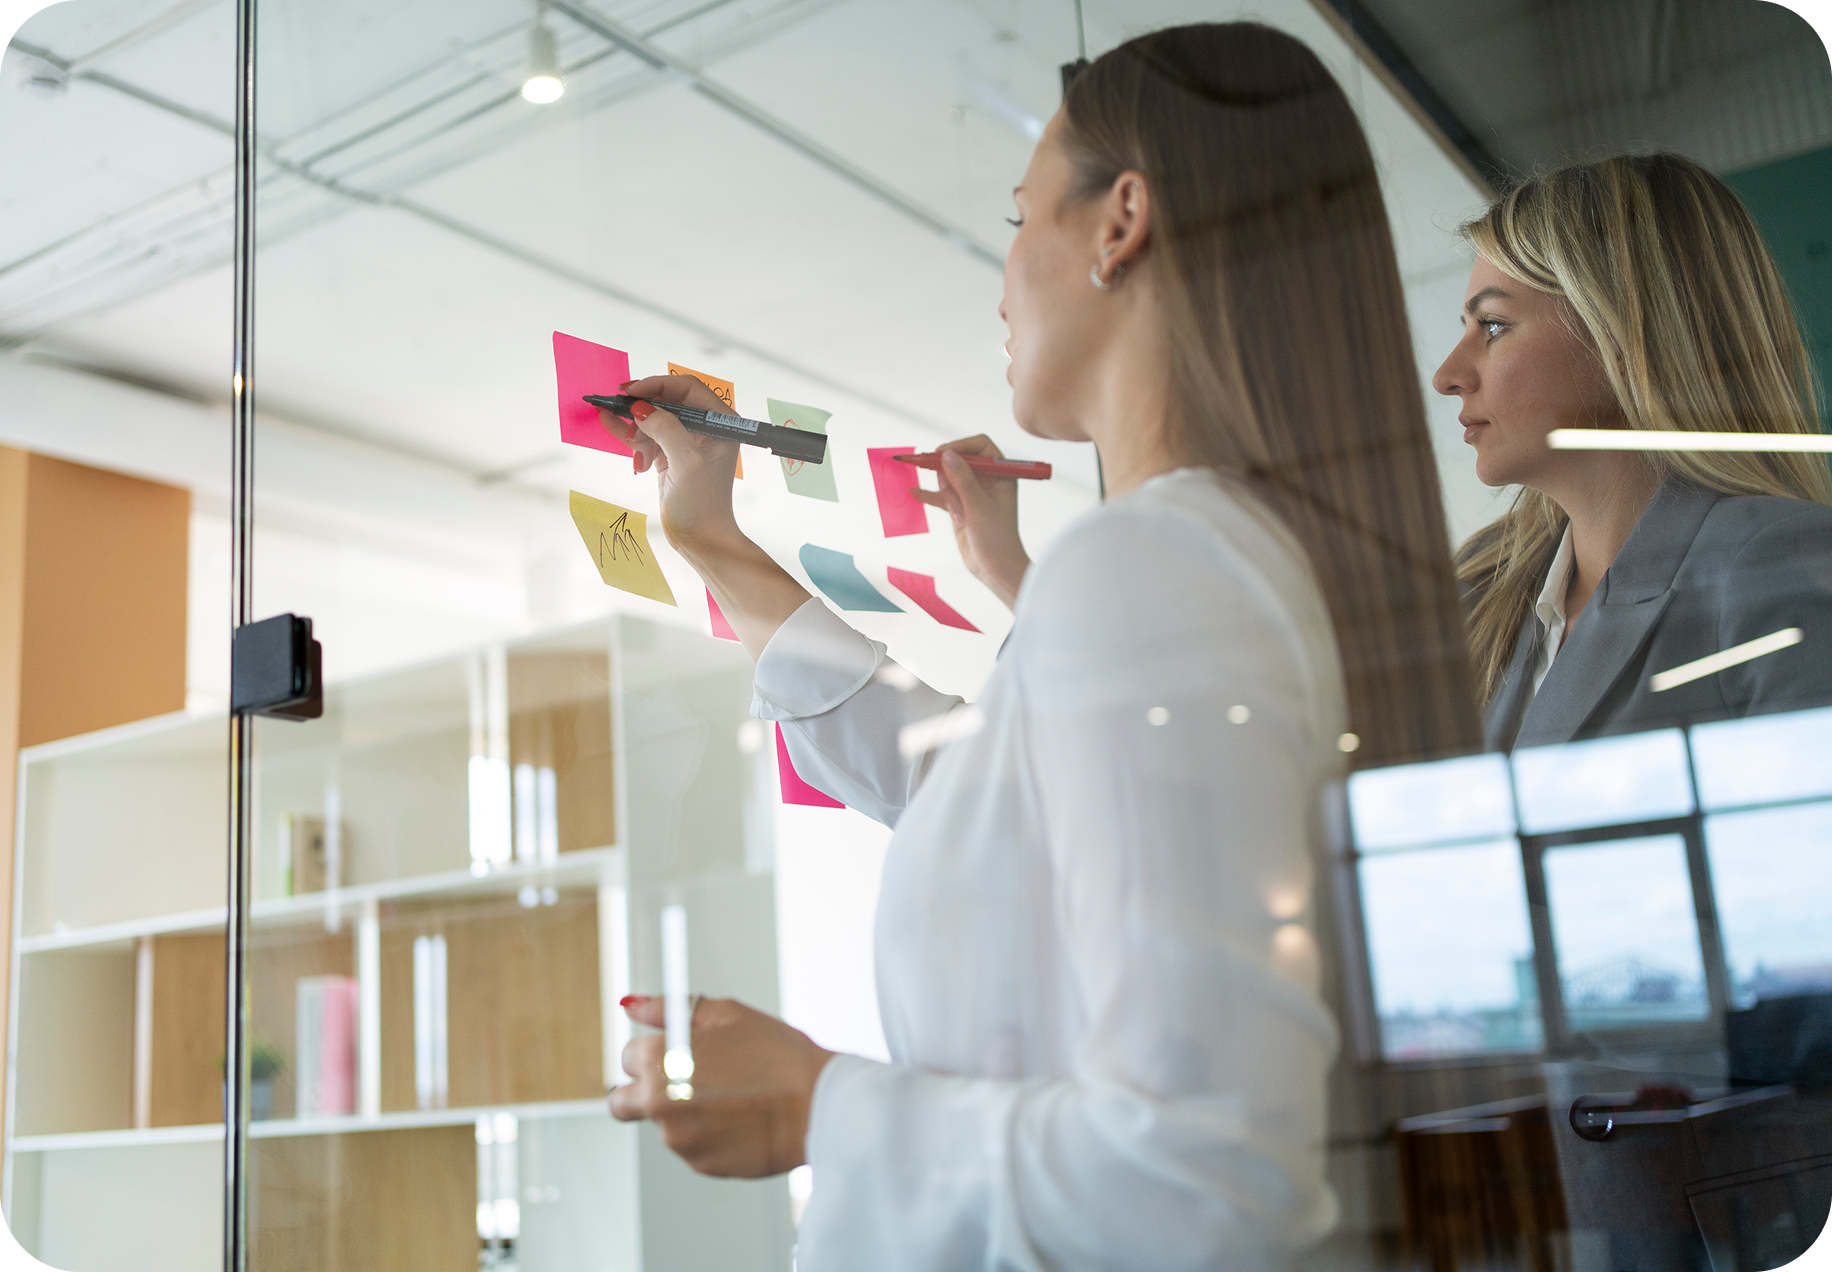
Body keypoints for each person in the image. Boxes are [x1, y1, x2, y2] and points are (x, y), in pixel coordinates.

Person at [607, 23, 1478, 1270]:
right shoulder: (1221, 557)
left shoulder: (1156, 564)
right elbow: (964, 787)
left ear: (1120, 221)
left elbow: (1205, 1181)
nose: (1003, 275)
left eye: (1019, 219)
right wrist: (715, 542)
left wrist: (816, 1103)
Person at [1435, 153, 1832, 752]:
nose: (1448, 375)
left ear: (1619, 332)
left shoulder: (1774, 566)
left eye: (1492, 326)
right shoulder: (1488, 594)